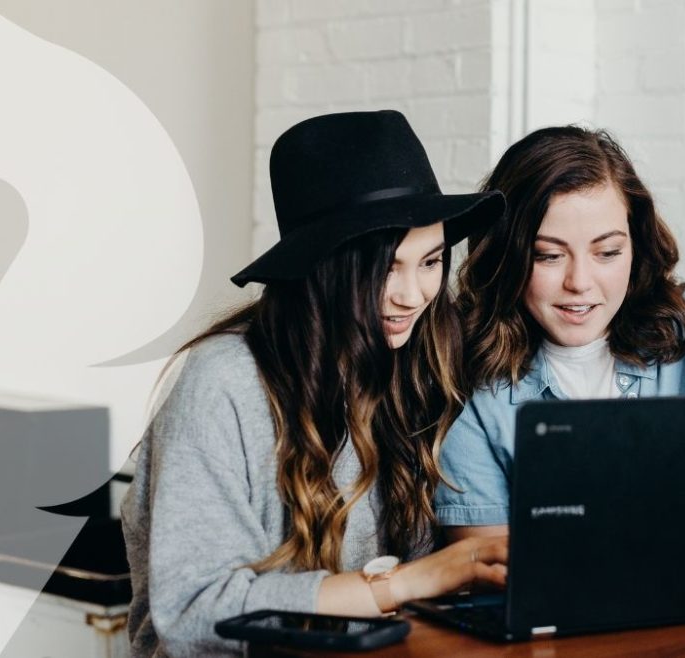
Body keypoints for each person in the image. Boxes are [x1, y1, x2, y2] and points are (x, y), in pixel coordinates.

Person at [121, 111, 509, 657]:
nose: (413, 293)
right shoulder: (223, 382)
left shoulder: (410, 369)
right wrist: (405, 583)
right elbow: (195, 612)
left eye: (431, 261)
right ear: (325, 267)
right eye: (385, 267)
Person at [435, 126, 685, 559]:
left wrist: (601, 541)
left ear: (636, 245)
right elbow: (484, 559)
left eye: (607, 252)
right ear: (507, 256)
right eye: (548, 256)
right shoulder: (465, 368)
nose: (579, 282)